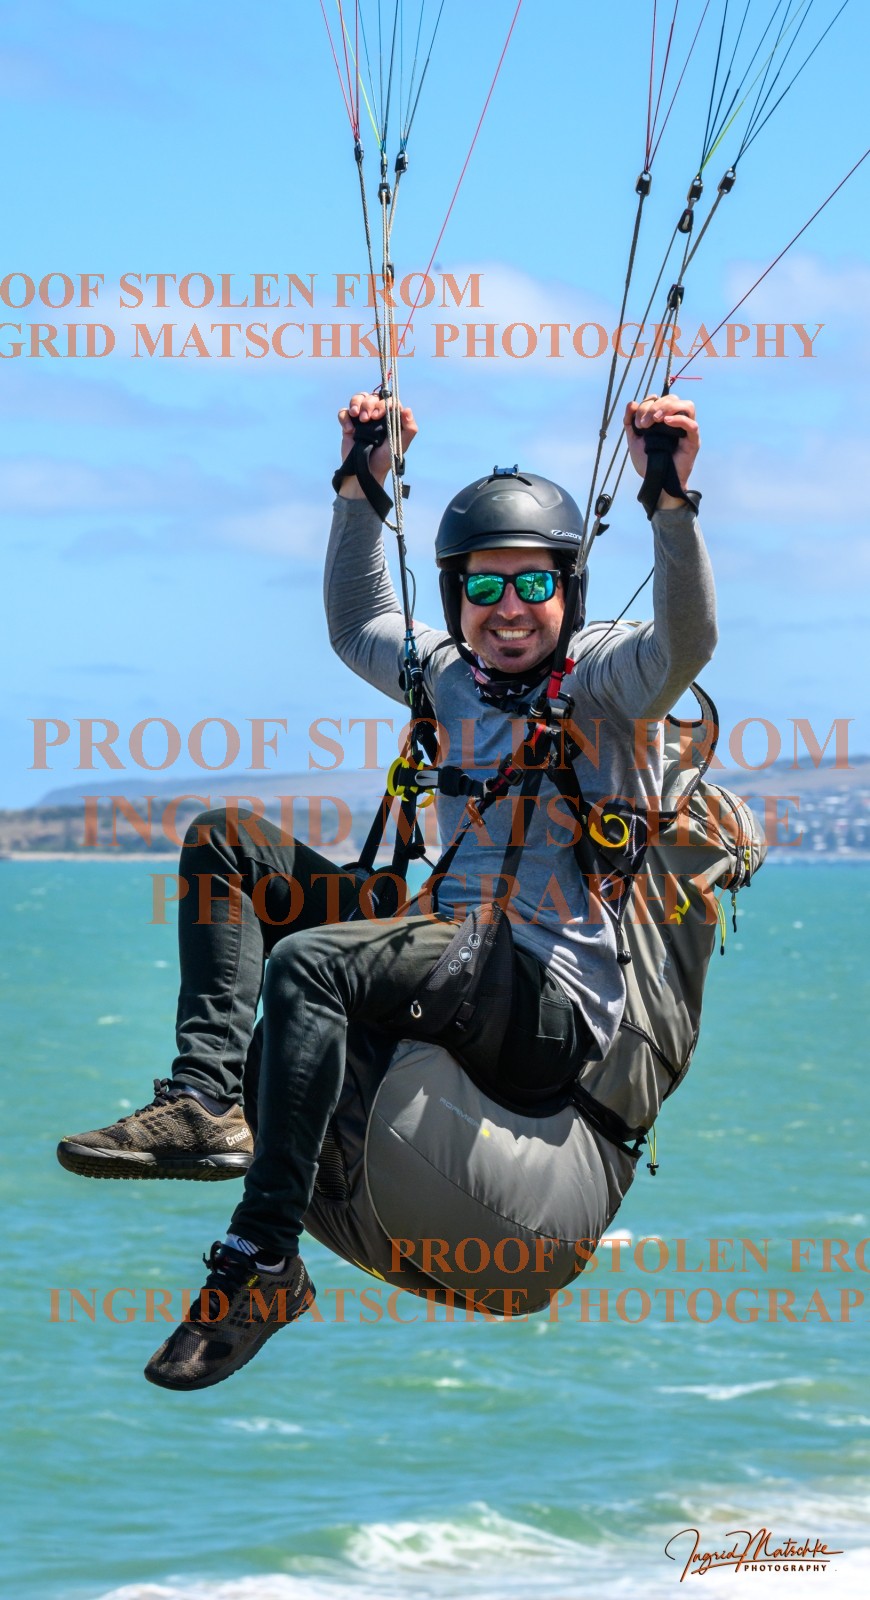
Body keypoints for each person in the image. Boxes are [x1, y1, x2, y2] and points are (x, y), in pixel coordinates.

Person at [57, 387, 715, 1390]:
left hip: (547, 1002)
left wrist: (670, 503)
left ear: (568, 590)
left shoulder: (607, 680)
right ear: (454, 593)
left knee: (313, 963)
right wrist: (363, 483)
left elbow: (688, 643)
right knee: (227, 846)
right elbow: (357, 618)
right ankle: (203, 1100)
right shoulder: (445, 675)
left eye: (533, 583)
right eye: (483, 588)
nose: (507, 611)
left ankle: (262, 1258)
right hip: (450, 948)